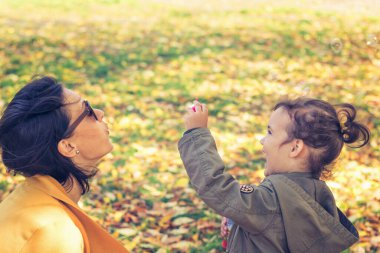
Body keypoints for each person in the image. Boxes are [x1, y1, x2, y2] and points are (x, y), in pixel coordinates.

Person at [178, 98, 370, 253]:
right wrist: (236, 222)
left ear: (295, 148)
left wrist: (196, 132)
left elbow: (217, 187)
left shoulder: (271, 202)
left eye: (269, 132)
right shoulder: (316, 200)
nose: (262, 141)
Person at [0, 76, 129, 253]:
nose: (100, 113)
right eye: (88, 112)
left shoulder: (27, 199)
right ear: (68, 146)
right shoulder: (54, 232)